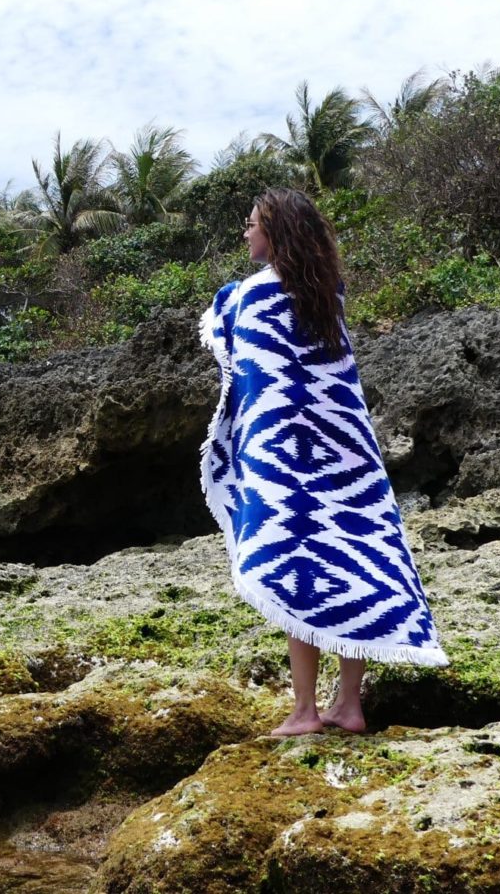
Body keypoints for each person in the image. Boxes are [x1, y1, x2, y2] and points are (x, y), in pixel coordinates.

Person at [200, 188, 446, 736]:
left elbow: (249, 375)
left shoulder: (251, 299)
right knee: (354, 559)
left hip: (285, 464)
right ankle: (349, 705)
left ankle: (305, 710)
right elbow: (336, 385)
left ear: (275, 233)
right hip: (346, 458)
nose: (245, 234)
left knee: (298, 571)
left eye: (252, 224)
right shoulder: (325, 296)